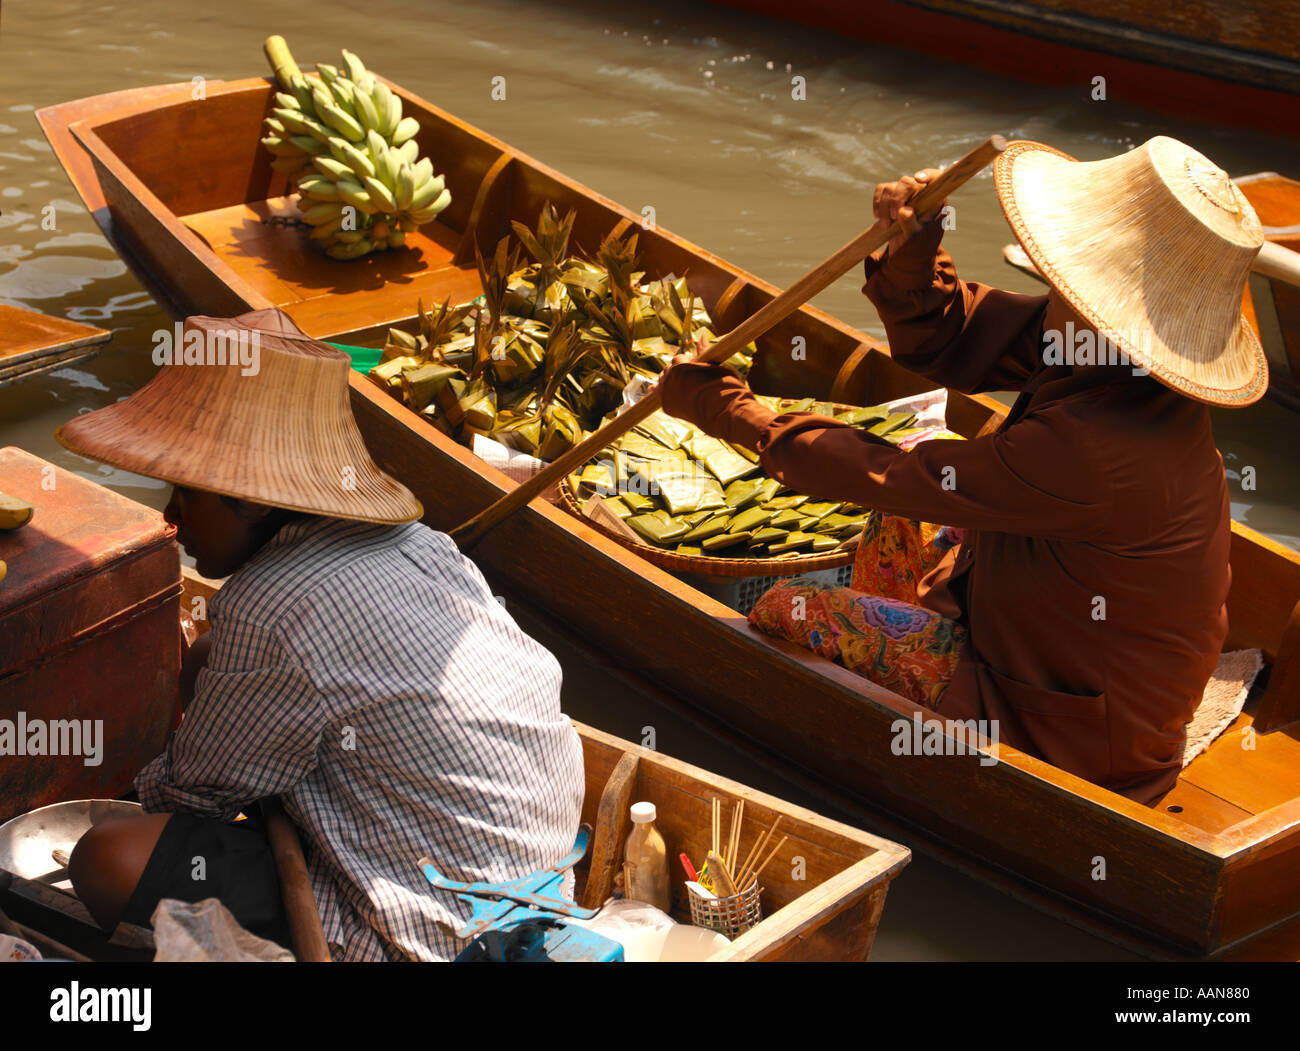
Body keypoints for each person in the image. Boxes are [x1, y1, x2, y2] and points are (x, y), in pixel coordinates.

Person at [658, 136, 1268, 803]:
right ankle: (894, 671)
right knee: (900, 518)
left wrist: (734, 414)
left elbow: (888, 472)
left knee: (788, 606)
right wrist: (917, 244)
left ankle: (880, 738)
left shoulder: (1095, 447)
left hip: (1076, 733)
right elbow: (950, 336)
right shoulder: (1103, 348)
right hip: (1041, 632)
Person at [61, 308, 585, 960]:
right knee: (206, 659)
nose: (171, 517)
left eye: (187, 494)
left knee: (107, 855)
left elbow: (191, 792)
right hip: (542, 861)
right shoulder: (420, 543)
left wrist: (145, 792)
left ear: (250, 500)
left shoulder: (270, 601)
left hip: (441, 923)